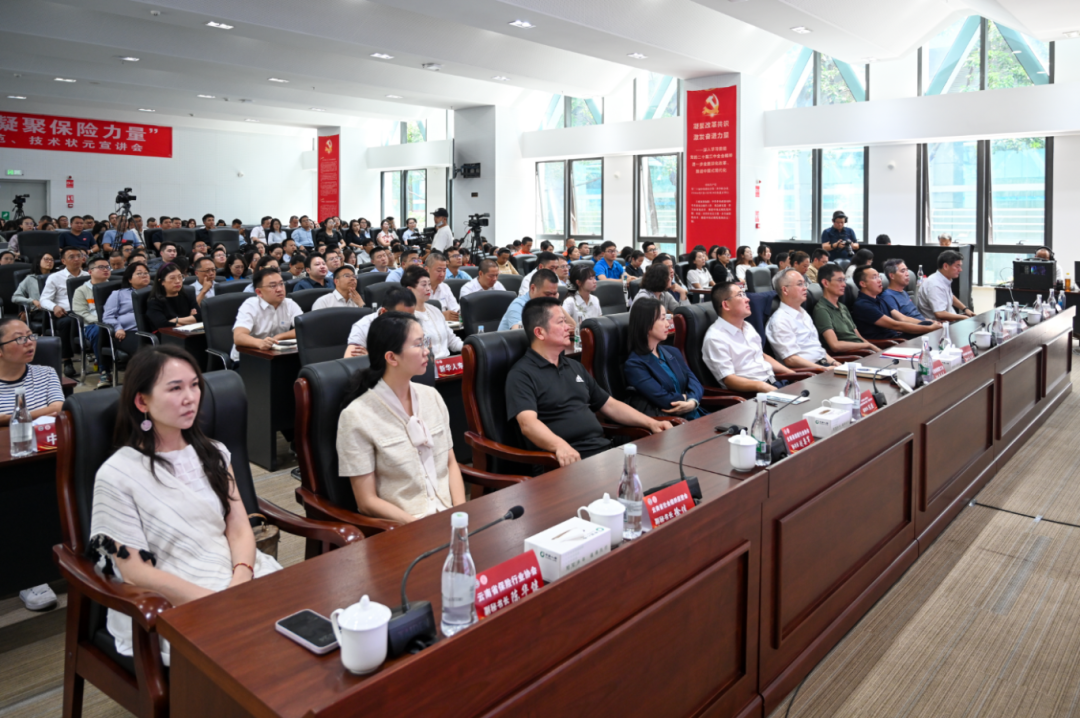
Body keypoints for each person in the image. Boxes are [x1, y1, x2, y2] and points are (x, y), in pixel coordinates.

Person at [88, 345, 282, 665]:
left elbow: (238, 529)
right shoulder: (117, 474)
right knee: (255, 653)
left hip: (235, 573)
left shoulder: (214, 452)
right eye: (175, 388)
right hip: (168, 598)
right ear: (142, 401)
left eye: (194, 385)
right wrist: (216, 601)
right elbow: (136, 572)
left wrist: (240, 580)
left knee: (299, 626)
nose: (190, 397)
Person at [507, 297, 670, 466]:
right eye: (561, 322)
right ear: (540, 332)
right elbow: (528, 423)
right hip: (562, 462)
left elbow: (610, 405)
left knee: (661, 468)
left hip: (601, 452)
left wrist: (651, 422)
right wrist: (560, 446)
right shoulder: (521, 374)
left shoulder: (574, 366)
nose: (568, 327)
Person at [337, 312, 465, 522]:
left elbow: (450, 463)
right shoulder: (356, 416)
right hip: (404, 526)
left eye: (425, 342)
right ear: (391, 357)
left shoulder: (431, 396)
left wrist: (460, 516)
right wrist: (417, 526)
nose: (427, 351)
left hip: (448, 517)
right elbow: (366, 501)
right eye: (418, 345)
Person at [0, 317, 66, 612]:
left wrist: (11, 417)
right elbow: (48, 409)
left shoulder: (45, 372)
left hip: (45, 454)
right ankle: (27, 575)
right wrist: (36, 412)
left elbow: (58, 408)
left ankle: (52, 565)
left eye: (31, 336)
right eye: (19, 339)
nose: (30, 343)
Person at [702, 283, 800, 392]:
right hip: (753, 394)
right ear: (726, 305)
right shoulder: (715, 338)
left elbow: (762, 356)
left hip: (774, 382)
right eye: (740, 295)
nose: (747, 299)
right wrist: (763, 387)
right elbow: (729, 380)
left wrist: (791, 374)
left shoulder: (747, 326)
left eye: (744, 294)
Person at [624, 298, 706, 420]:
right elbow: (664, 399)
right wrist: (687, 398)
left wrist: (692, 402)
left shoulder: (672, 351)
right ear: (646, 324)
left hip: (695, 413)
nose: (668, 324)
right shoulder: (634, 364)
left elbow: (695, 382)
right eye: (662, 319)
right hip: (671, 423)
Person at [766, 269, 841, 370]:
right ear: (785, 290)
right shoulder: (780, 321)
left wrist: (834, 362)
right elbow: (791, 359)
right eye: (800, 284)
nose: (805, 288)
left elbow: (817, 350)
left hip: (822, 366)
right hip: (807, 374)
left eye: (804, 284)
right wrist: (823, 369)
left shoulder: (803, 313)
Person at [231, 269, 303, 363]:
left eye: (281, 284)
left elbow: (304, 329)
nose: (279, 289)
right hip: (247, 359)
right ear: (259, 292)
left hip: (277, 357)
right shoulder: (250, 305)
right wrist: (260, 343)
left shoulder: (290, 304)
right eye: (273, 286)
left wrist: (279, 337)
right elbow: (238, 336)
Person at [852, 266, 941, 340]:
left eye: (879, 277)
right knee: (927, 329)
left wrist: (928, 323)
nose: (879, 280)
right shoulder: (863, 305)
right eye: (875, 277)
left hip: (896, 336)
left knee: (927, 324)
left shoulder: (879, 298)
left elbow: (900, 317)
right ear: (863, 284)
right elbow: (895, 325)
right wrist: (929, 328)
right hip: (886, 343)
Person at [40, 246, 88, 378]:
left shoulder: (88, 276)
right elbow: (44, 299)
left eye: (79, 256)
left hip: (85, 311)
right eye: (71, 257)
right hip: (65, 313)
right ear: (63, 261)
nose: (76, 259)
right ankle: (67, 360)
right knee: (66, 323)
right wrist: (54, 307)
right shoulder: (55, 277)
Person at [812, 264, 879, 355]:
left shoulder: (842, 306)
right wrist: (868, 346)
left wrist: (875, 350)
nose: (844, 284)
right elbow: (835, 345)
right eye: (840, 280)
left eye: (844, 280)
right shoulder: (822, 310)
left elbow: (859, 337)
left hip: (864, 352)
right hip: (853, 356)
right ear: (825, 283)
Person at [71, 256, 114, 387]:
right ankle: (104, 371)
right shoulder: (81, 290)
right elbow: (81, 312)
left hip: (115, 322)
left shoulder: (115, 286)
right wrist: (102, 321)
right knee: (99, 331)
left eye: (107, 267)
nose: (106, 270)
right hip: (92, 325)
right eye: (101, 267)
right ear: (90, 271)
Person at [402, 266, 462, 359]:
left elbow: (452, 340)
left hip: (446, 362)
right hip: (426, 364)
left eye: (429, 284)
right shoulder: (407, 316)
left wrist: (468, 346)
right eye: (424, 285)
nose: (428, 288)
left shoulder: (435, 310)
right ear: (410, 289)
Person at [345, 286, 416, 357]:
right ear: (383, 312)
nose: (407, 322)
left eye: (411, 317)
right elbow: (350, 359)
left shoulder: (414, 323)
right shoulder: (363, 326)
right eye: (401, 318)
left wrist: (371, 357)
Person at [102, 263, 152, 360]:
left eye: (146, 273)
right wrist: (118, 328)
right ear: (129, 279)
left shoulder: (155, 292)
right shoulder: (118, 294)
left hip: (152, 330)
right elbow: (108, 316)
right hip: (128, 332)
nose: (144, 275)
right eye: (139, 273)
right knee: (146, 354)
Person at [916, 250, 975, 322]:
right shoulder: (935, 284)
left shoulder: (943, 279)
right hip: (938, 326)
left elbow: (950, 296)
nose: (960, 270)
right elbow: (939, 313)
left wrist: (965, 309)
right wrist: (964, 317)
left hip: (949, 322)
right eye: (957, 266)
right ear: (946, 266)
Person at [500, 269, 565, 331]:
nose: (551, 298)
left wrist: (556, 304)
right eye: (548, 294)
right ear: (533, 288)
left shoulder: (548, 304)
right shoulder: (518, 305)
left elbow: (570, 328)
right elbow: (519, 334)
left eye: (554, 294)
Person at [146, 264, 200, 333]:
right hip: (167, 336)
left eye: (180, 277)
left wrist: (175, 320)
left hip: (191, 333)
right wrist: (190, 319)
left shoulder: (188, 294)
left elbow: (200, 317)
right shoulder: (154, 301)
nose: (178, 281)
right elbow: (163, 325)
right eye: (172, 278)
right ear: (161, 282)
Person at [12, 253, 54, 320]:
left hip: (57, 308)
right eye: (46, 259)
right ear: (38, 262)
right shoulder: (30, 279)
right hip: (40, 311)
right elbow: (15, 298)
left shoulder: (56, 277)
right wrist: (32, 301)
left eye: (52, 260)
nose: (50, 261)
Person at [425, 252, 459, 322]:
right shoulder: (418, 289)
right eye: (439, 270)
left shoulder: (445, 287)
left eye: (444, 270)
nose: (442, 274)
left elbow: (455, 308)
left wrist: (458, 313)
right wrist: (441, 316)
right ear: (426, 270)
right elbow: (419, 316)